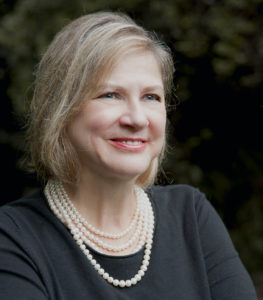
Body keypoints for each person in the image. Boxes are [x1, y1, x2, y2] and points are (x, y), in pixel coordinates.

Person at [0, 11, 258, 299]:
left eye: (151, 97)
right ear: (61, 110)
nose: (137, 119)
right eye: (110, 94)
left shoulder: (192, 218)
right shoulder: (13, 237)